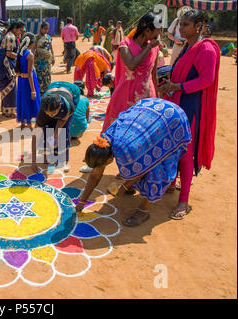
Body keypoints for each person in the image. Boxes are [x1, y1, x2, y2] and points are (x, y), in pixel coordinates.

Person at [76, 98, 191, 227]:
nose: (97, 170)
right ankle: (133, 188)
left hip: (171, 118)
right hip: (151, 107)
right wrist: (82, 201)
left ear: (109, 160)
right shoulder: (103, 141)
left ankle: (143, 210)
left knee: (155, 165)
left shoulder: (127, 151)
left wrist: (123, 187)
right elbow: (95, 175)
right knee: (136, 166)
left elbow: (142, 170)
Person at [159, 9, 220, 220]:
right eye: (180, 24)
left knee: (185, 152)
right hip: (178, 102)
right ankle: (171, 183)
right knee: (174, 147)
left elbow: (206, 79)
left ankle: (183, 200)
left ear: (198, 27)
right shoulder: (187, 46)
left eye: (185, 24)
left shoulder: (206, 49)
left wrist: (177, 86)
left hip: (192, 107)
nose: (181, 28)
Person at [102, 12, 161, 132]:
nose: (159, 35)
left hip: (147, 97)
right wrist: (149, 48)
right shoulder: (125, 45)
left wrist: (158, 99)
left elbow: (153, 75)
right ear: (148, 31)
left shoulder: (155, 47)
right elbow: (132, 64)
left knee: (143, 134)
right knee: (120, 133)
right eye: (158, 31)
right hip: (125, 96)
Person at [32, 81, 80, 173]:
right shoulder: (43, 110)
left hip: (72, 91)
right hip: (54, 87)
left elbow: (63, 119)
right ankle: (47, 153)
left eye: (53, 113)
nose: (50, 116)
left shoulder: (68, 106)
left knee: (64, 130)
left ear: (60, 105)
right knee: (47, 127)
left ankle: (63, 158)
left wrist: (56, 135)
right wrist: (33, 161)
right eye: (48, 114)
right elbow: (35, 135)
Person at [0, 20, 24, 117]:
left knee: (5, 87)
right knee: (10, 87)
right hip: (6, 65)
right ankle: (9, 111)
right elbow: (8, 53)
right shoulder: (11, 37)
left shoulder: (8, 35)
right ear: (14, 28)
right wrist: (20, 57)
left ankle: (5, 109)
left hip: (1, 64)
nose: (21, 32)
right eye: (20, 30)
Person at [16, 33, 40, 128]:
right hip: (29, 81)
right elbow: (30, 73)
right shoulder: (30, 55)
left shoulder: (21, 53)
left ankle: (23, 122)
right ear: (32, 43)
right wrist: (33, 90)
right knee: (30, 100)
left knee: (23, 99)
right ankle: (30, 124)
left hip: (21, 80)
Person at [35, 22, 55, 95]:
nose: (46, 30)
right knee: (39, 76)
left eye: (47, 29)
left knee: (47, 75)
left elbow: (51, 48)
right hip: (39, 61)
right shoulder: (37, 37)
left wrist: (53, 57)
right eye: (45, 29)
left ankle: (46, 90)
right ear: (41, 28)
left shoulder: (49, 37)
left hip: (47, 61)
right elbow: (34, 49)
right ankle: (39, 92)